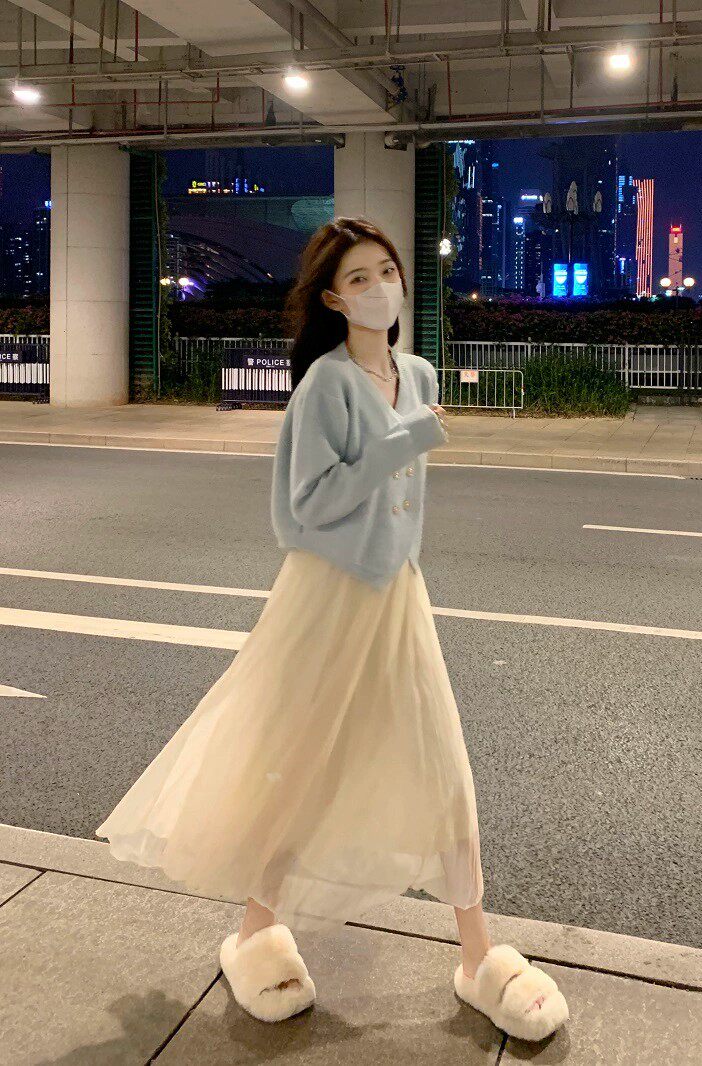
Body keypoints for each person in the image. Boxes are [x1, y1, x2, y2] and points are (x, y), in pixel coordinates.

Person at [95, 216, 569, 1043]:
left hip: (397, 597)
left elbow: (402, 504)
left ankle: (479, 956)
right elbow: (303, 509)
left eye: (387, 270)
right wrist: (404, 441)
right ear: (331, 299)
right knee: (298, 765)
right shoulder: (325, 385)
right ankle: (255, 933)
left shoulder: (416, 374)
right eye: (358, 278)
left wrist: (407, 457)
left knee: (443, 767)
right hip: (327, 596)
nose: (380, 287)